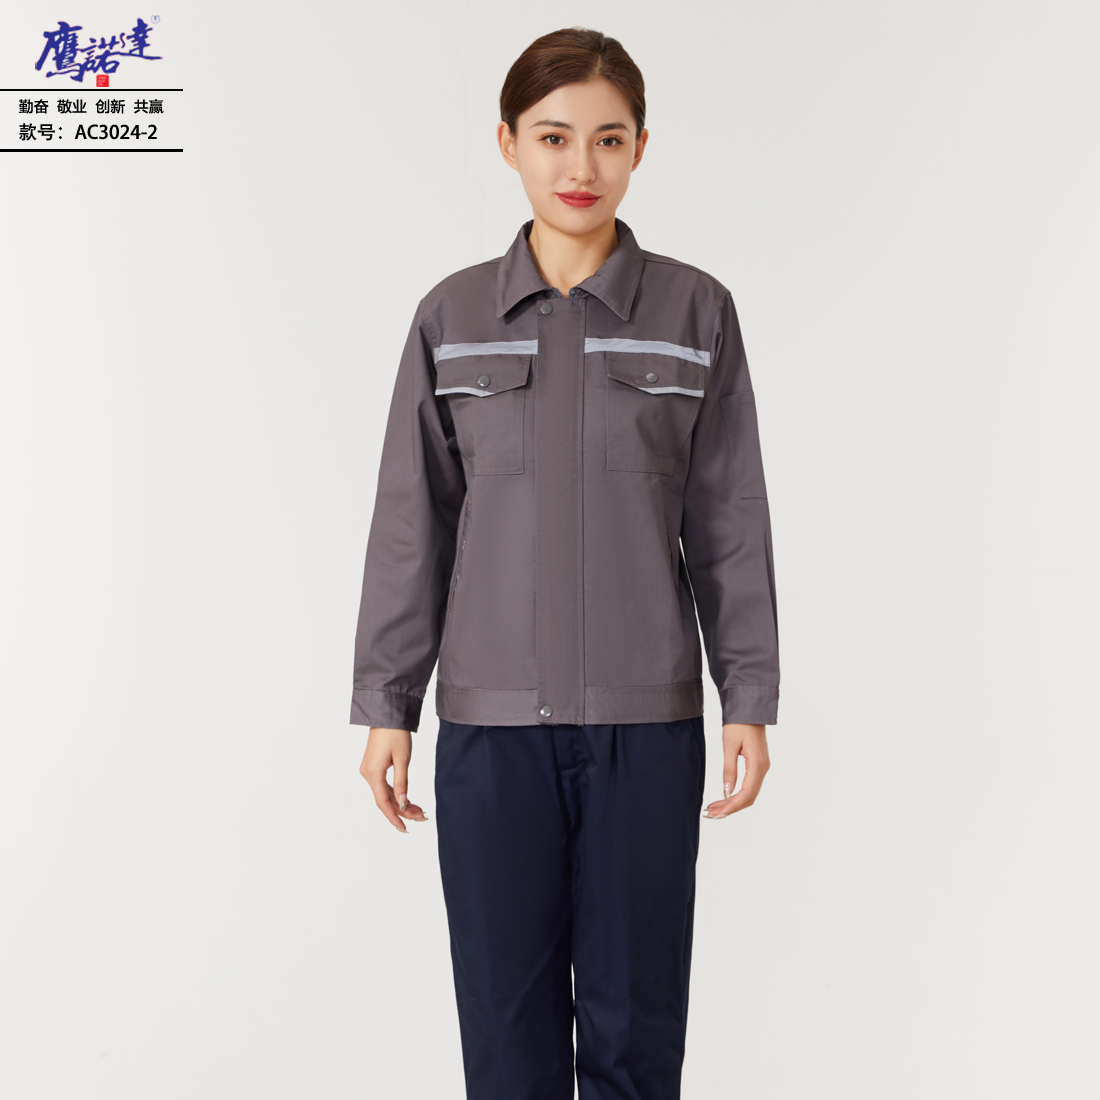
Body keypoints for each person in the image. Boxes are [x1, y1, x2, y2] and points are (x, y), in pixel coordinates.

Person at [350, 26, 780, 1100]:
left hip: (648, 730)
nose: (579, 165)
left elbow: (727, 515)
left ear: (640, 148)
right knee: (507, 1038)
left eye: (606, 138)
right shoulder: (451, 318)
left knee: (637, 1033)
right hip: (490, 735)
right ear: (507, 143)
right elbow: (413, 519)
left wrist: (748, 694)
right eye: (552, 137)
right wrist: (388, 704)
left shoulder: (696, 311)